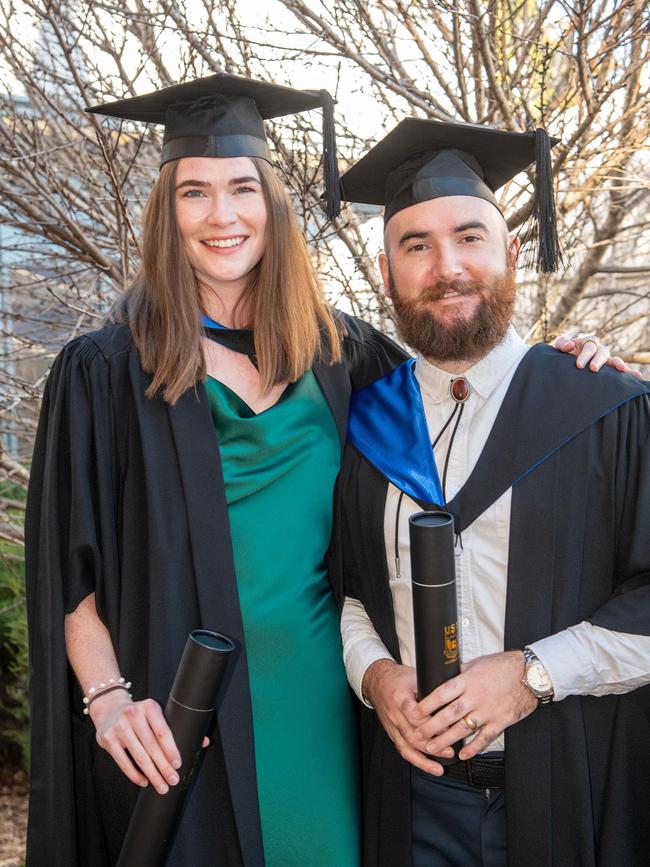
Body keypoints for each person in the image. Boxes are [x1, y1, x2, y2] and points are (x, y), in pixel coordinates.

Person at [24, 77, 621, 866]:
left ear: (273, 203)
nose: (221, 215)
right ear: (166, 213)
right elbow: (71, 567)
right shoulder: (104, 370)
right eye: (193, 192)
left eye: (243, 187)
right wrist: (106, 698)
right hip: (173, 705)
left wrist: (564, 362)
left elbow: (458, 378)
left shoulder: (345, 356)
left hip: (327, 702)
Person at [334, 118, 650, 867]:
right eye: (417, 246)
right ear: (387, 274)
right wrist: (376, 677)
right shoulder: (365, 425)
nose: (448, 266)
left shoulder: (605, 409)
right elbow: (347, 594)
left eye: (470, 237)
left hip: (574, 790)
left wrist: (535, 673)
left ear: (512, 252)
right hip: (410, 800)